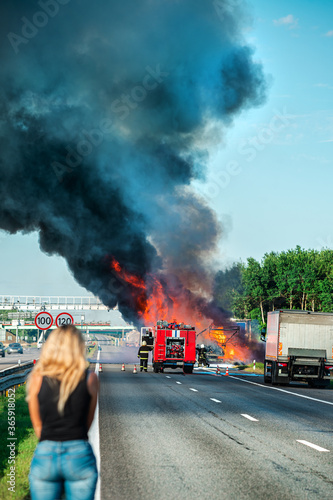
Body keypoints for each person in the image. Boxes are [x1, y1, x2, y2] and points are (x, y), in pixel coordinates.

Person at [26, 325, 99, 500]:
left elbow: (37, 426)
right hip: (79, 452)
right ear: (78, 347)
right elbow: (87, 422)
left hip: (46, 453)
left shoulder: (36, 379)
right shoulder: (90, 379)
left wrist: (49, 442)